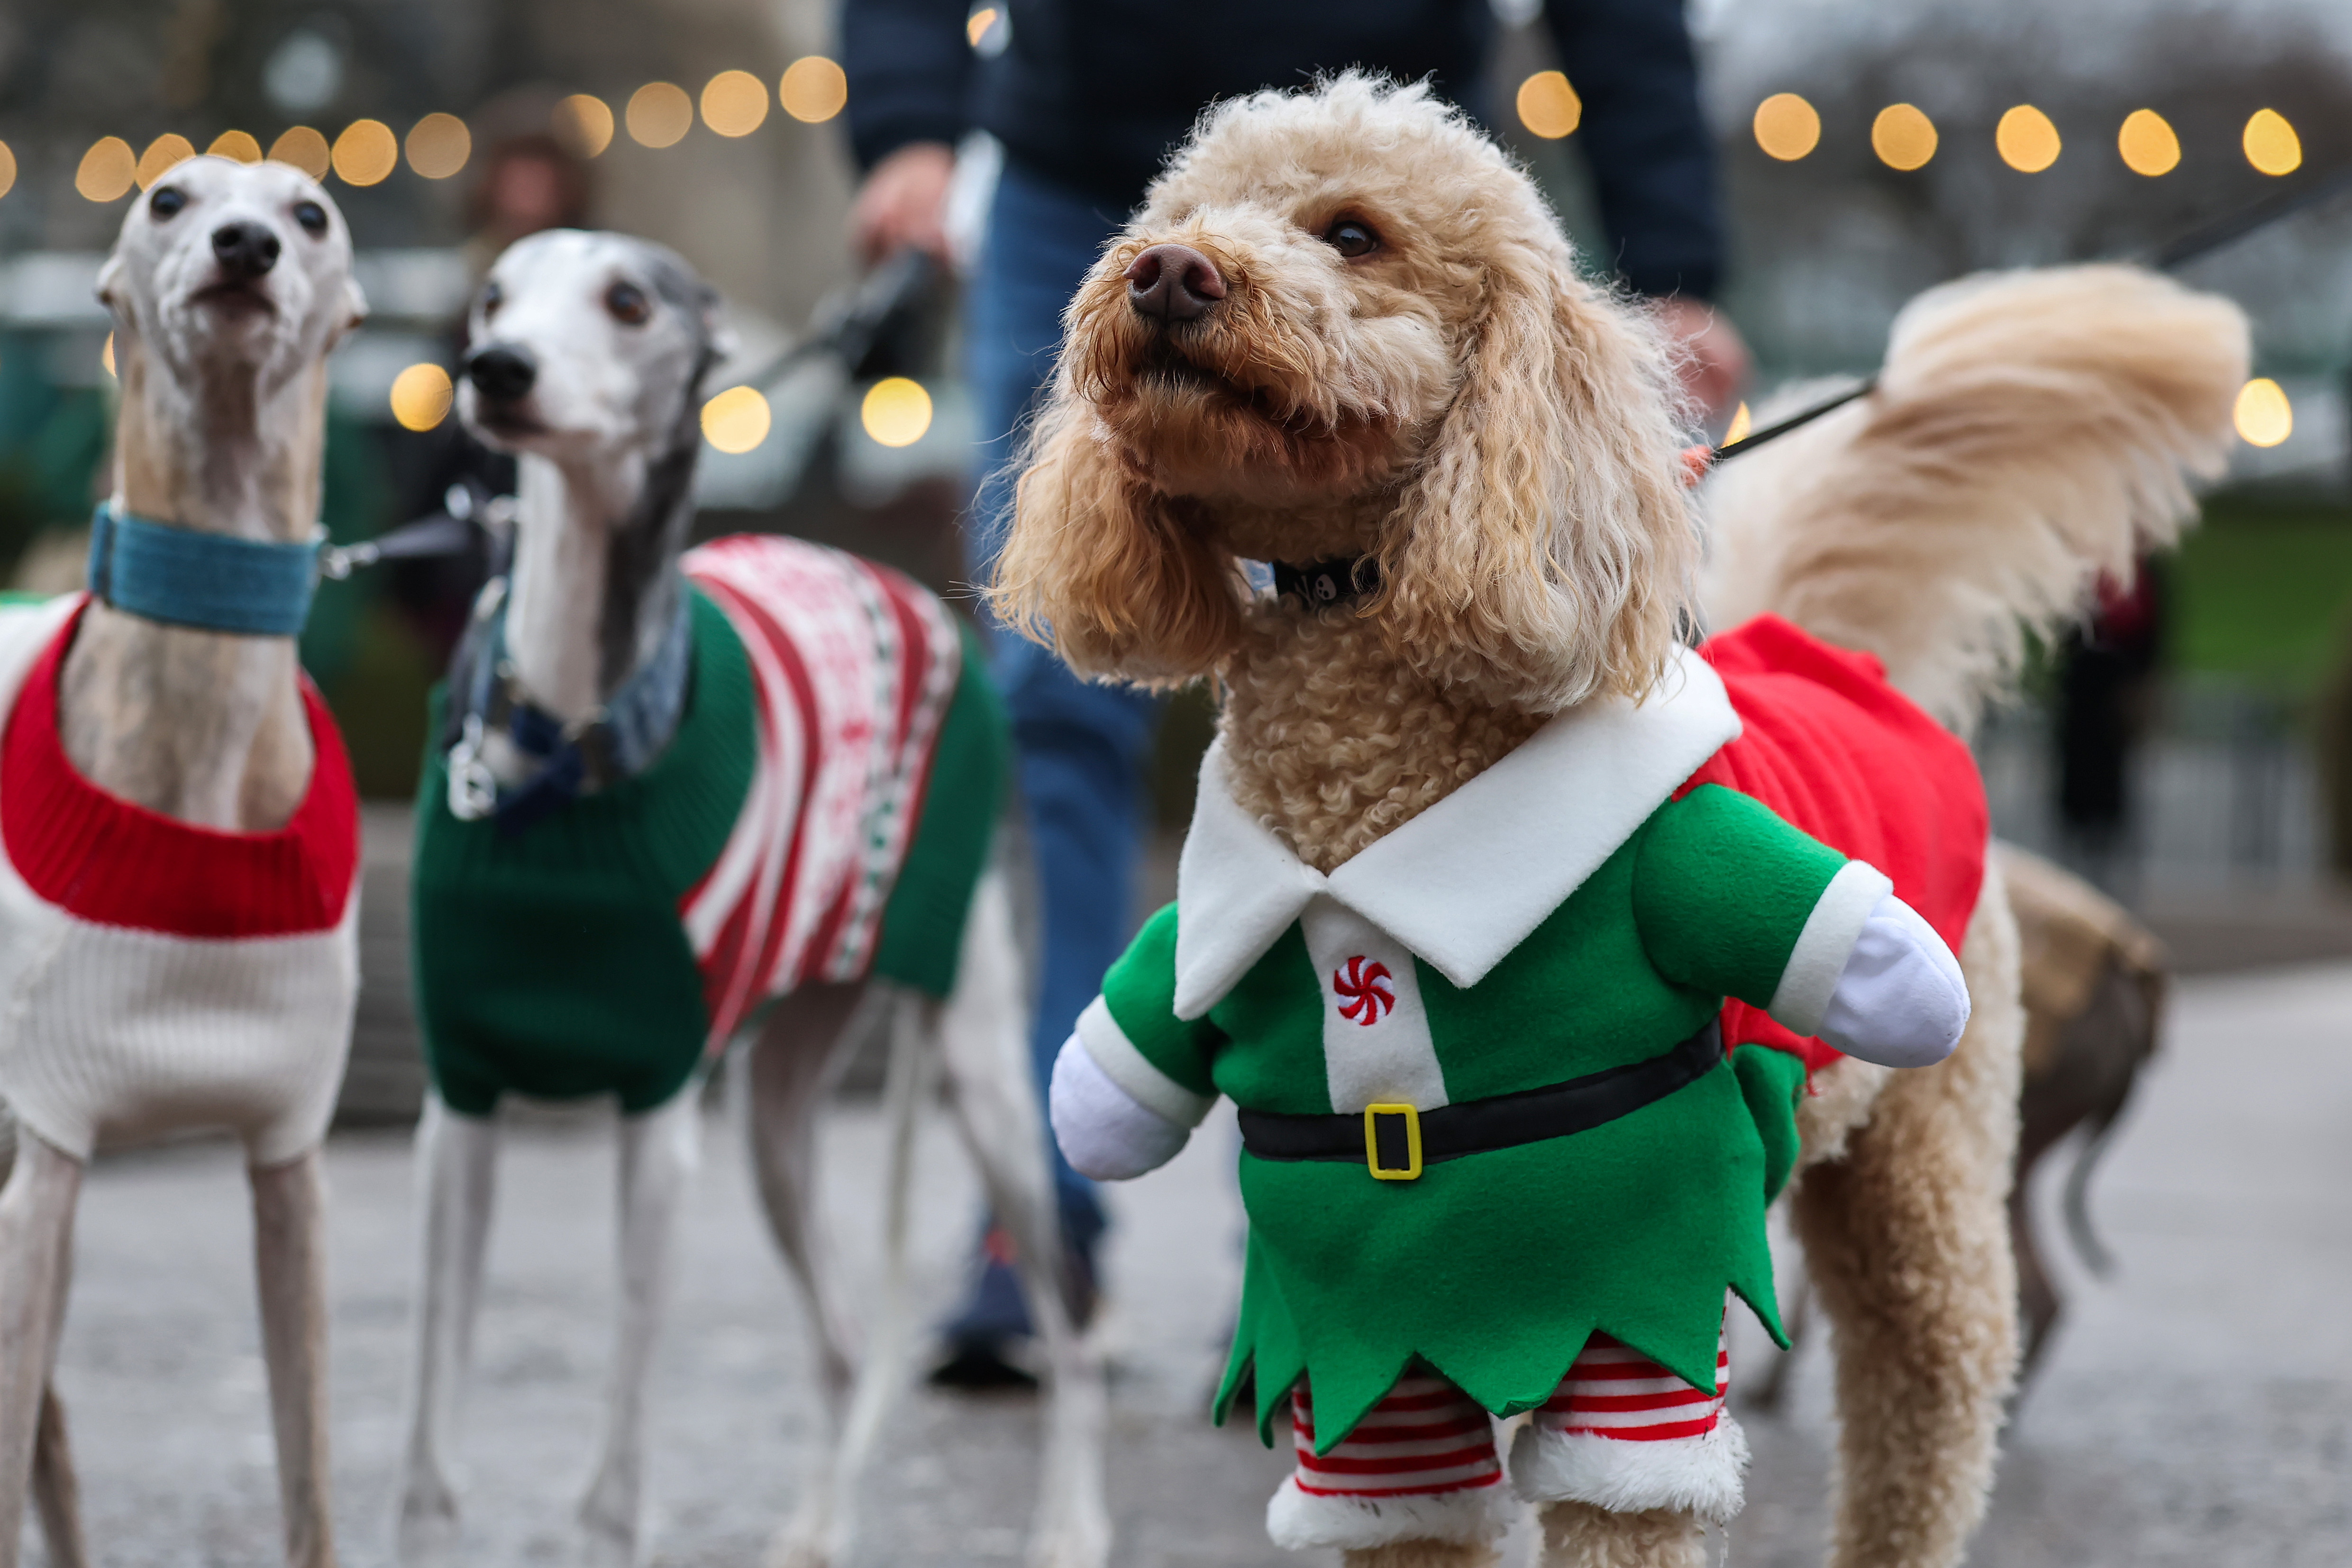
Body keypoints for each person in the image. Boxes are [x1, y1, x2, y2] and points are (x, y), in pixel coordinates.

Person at [840, 0, 1753, 1381]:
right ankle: (1036, 1216)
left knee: (1428, 688)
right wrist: (911, 124)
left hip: (1389, 176)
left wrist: (1672, 257)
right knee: (1054, 702)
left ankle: (1327, 1222)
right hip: (1078, 172)